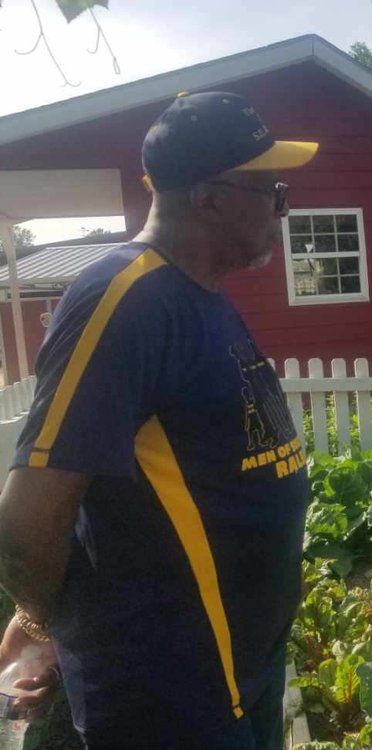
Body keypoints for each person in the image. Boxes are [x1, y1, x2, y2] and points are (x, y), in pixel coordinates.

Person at [0, 92, 318, 749]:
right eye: (273, 191)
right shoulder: (122, 300)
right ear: (210, 198)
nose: (282, 210)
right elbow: (26, 526)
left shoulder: (200, 297)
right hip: (171, 707)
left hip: (240, 683)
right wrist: (45, 623)